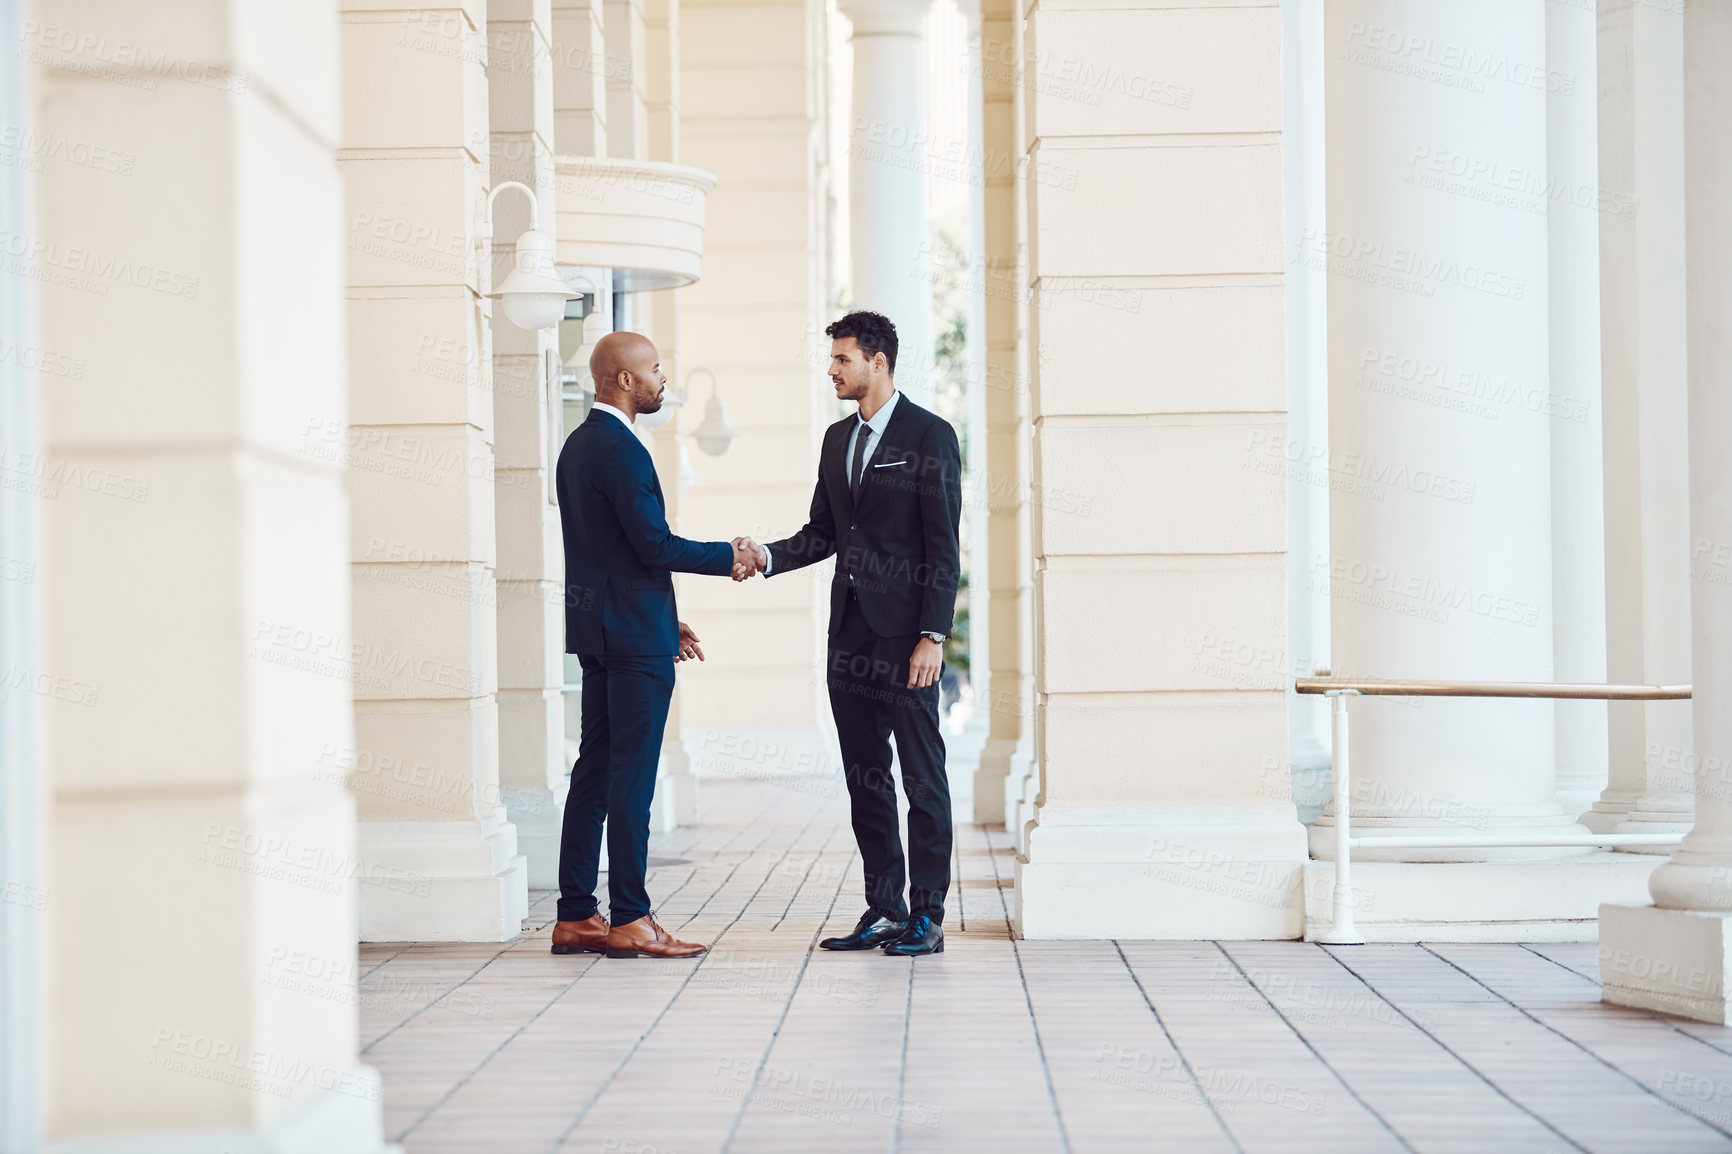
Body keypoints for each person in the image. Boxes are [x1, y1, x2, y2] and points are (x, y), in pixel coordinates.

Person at [735, 311, 962, 957]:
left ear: (878, 362)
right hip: (850, 638)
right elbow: (824, 533)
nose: (831, 370)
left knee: (922, 779)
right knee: (867, 779)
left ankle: (928, 915)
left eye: (842, 360)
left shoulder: (930, 436)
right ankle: (884, 909)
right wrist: (768, 556)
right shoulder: (838, 441)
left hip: (907, 640)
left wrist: (934, 635)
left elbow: (944, 546)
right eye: (832, 359)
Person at [550, 330, 764, 959]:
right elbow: (653, 545)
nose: (663, 379)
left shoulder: (577, 446)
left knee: (593, 771)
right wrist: (729, 555)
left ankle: (574, 916)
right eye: (654, 369)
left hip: (603, 632)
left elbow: (612, 554)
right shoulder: (622, 450)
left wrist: (665, 619)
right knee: (632, 780)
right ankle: (632, 919)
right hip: (631, 641)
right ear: (623, 379)